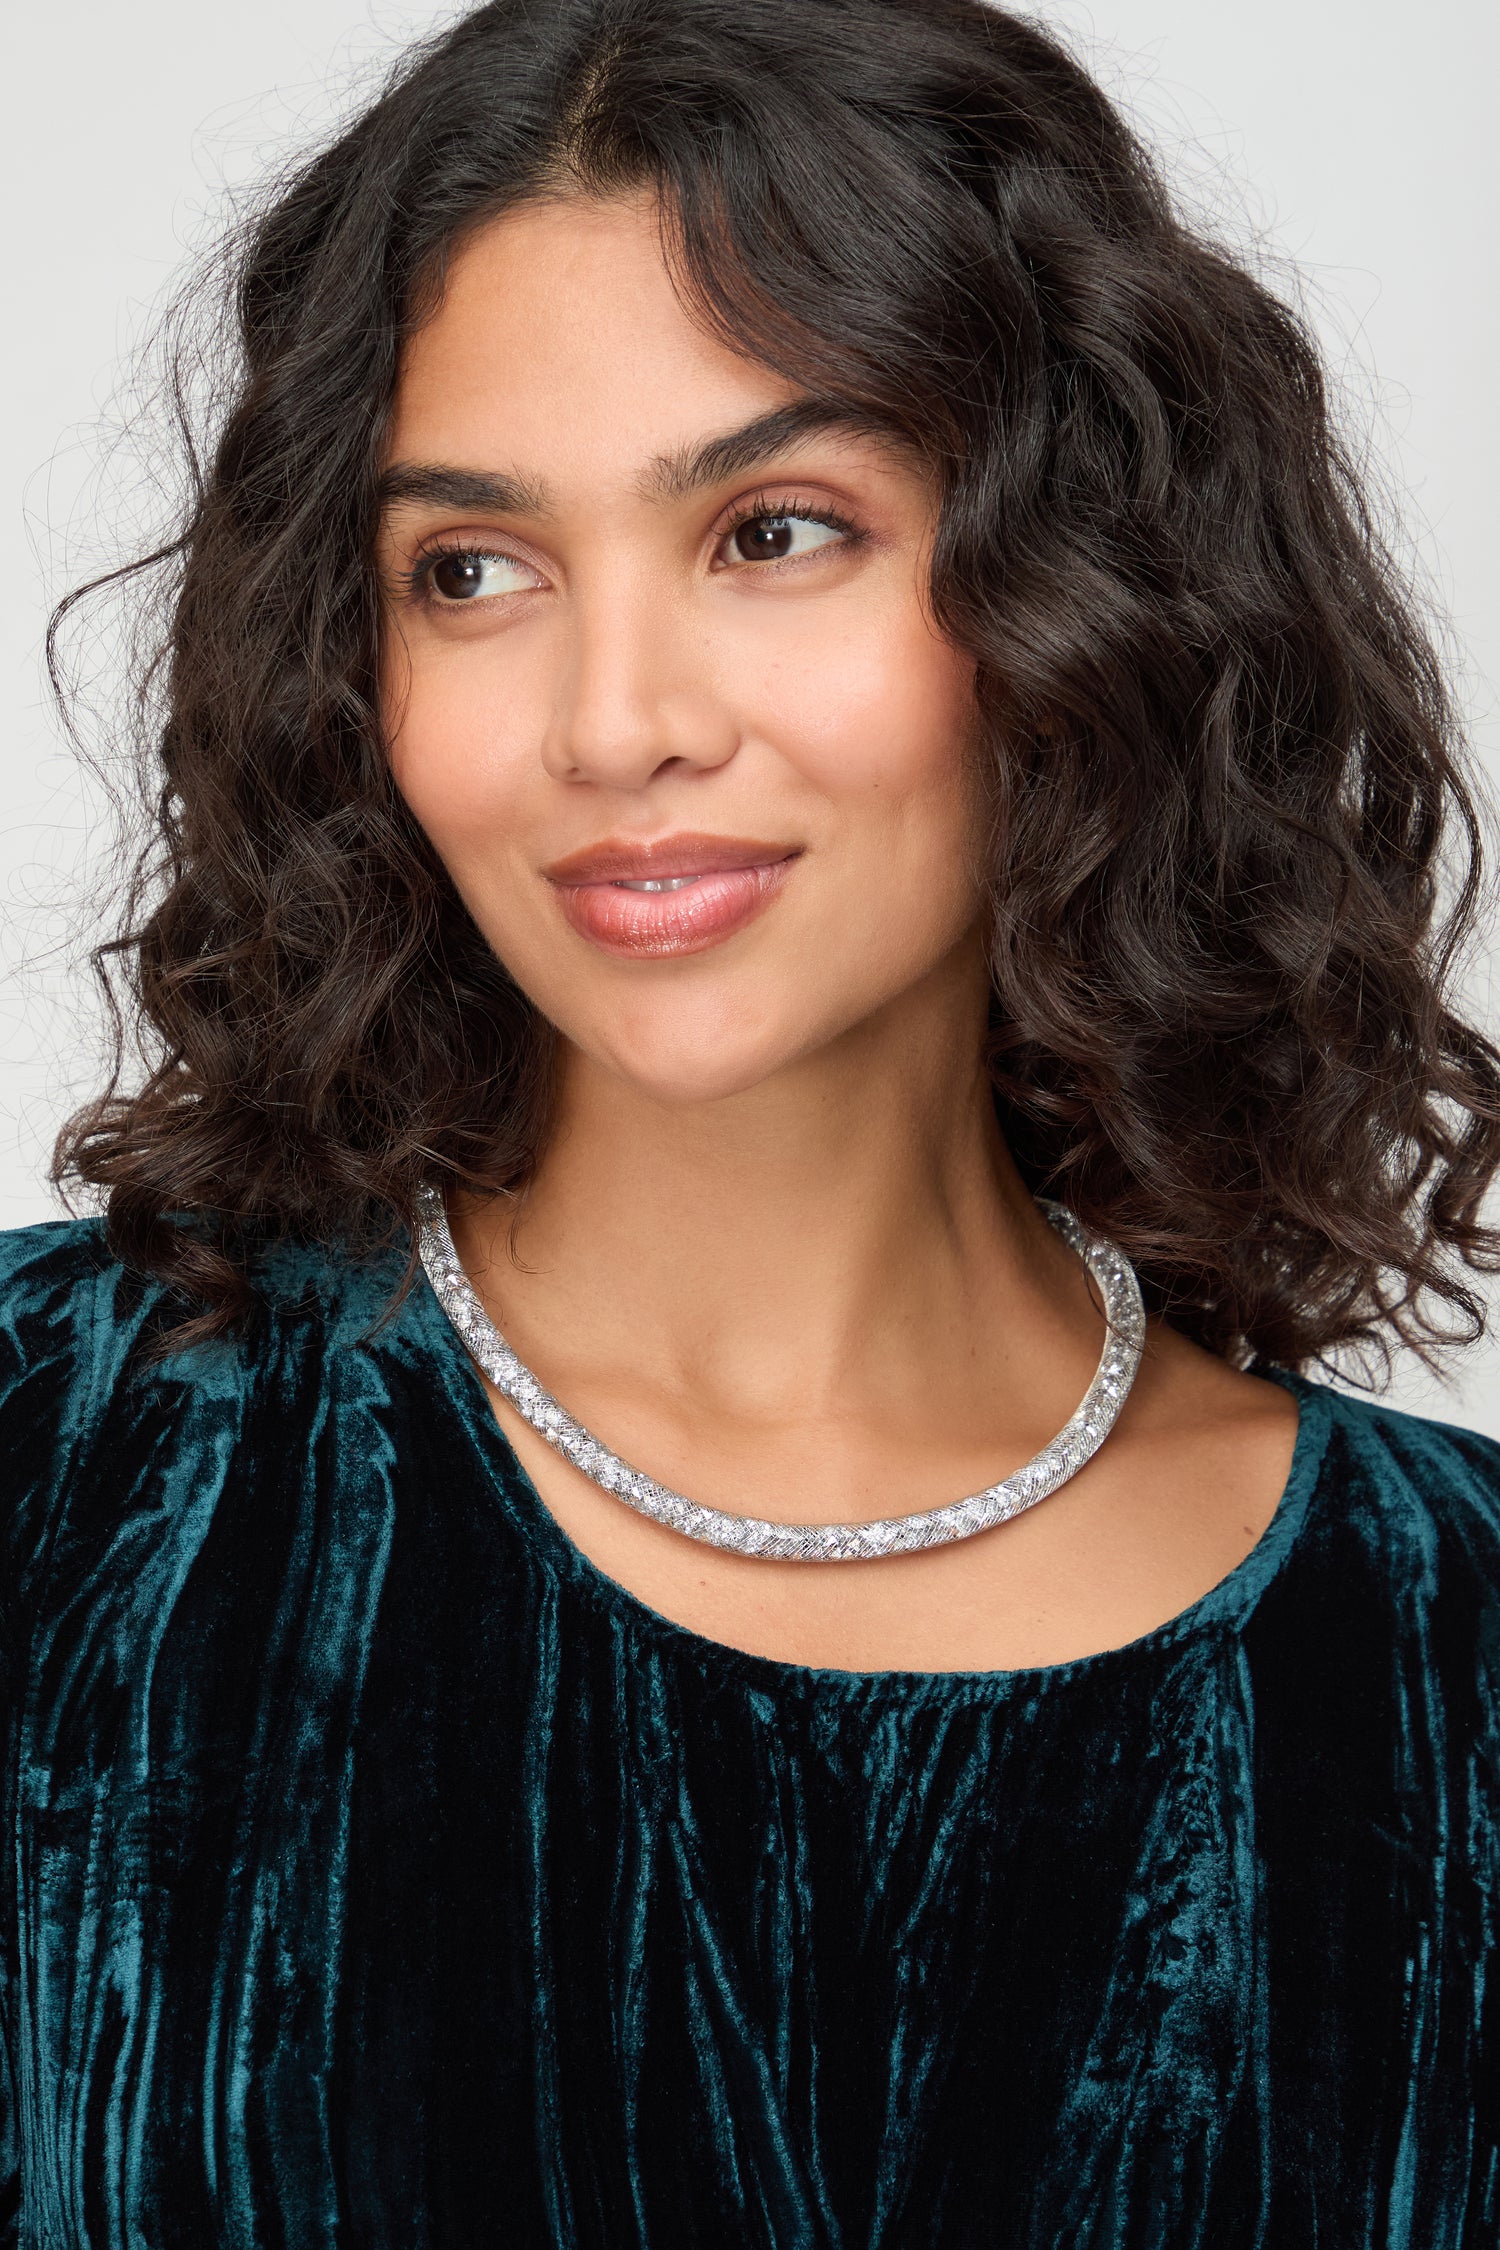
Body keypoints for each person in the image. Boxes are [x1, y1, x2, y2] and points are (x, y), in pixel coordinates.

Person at [3, 0, 1498, 2239]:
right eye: (471, 570)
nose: (615, 723)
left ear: (1087, 593)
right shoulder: (63, 1468)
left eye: (774, 530)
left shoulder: (1452, 1650)